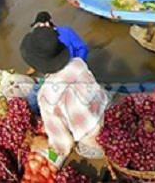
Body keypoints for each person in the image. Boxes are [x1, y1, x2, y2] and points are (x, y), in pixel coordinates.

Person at [20, 27, 109, 158]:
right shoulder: (78, 63)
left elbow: (66, 144)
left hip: (97, 143)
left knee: (78, 148)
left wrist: (43, 144)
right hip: (108, 115)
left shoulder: (46, 96)